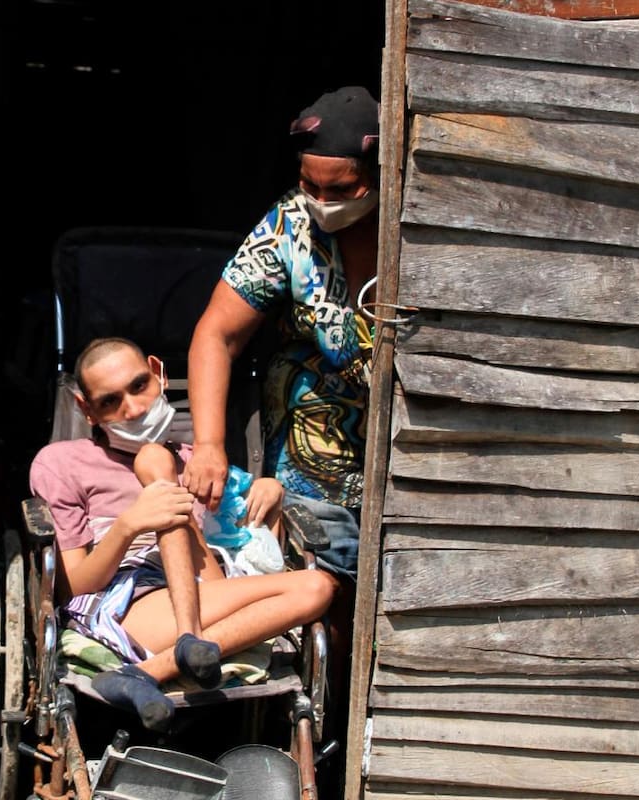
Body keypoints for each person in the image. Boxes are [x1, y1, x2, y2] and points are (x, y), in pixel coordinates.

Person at [29, 337, 337, 731]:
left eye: (139, 385)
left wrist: (268, 497)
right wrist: (130, 525)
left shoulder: (198, 461)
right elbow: (71, 587)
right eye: (110, 402)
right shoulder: (64, 463)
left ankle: (151, 671)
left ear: (159, 374)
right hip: (131, 598)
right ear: (86, 410)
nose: (134, 408)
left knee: (319, 587)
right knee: (154, 459)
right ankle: (187, 640)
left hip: (206, 580)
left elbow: (247, 557)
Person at [184, 86, 382, 582]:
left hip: (406, 447)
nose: (320, 203)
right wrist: (209, 444)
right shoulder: (290, 225)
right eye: (309, 185)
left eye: (340, 192)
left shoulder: (421, 232)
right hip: (311, 448)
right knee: (322, 574)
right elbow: (217, 333)